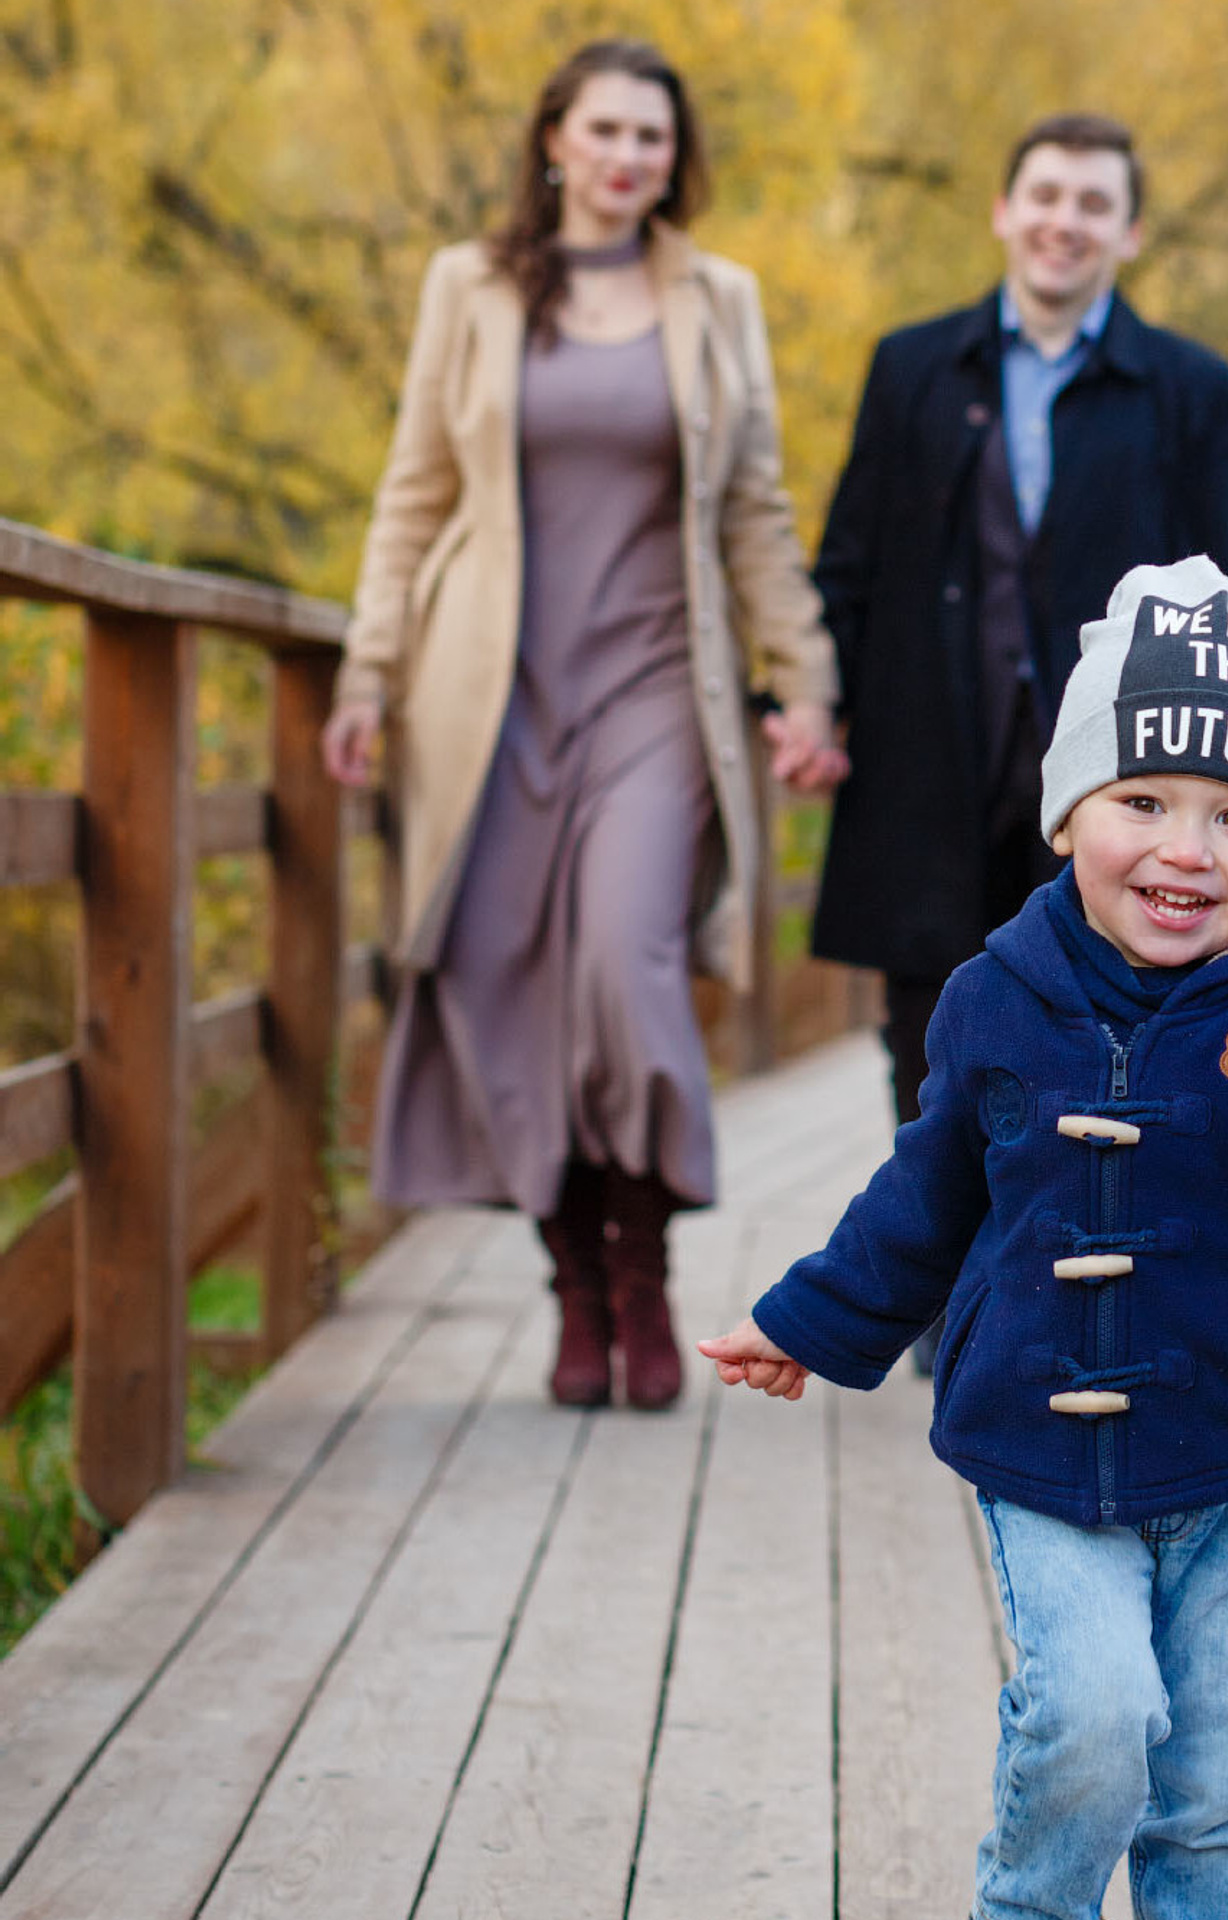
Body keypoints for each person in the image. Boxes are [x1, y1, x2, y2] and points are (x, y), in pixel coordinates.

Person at [700, 555, 1228, 1920]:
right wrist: (807, 1319)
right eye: (1143, 801)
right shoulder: (996, 997)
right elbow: (925, 1200)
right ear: (1066, 814)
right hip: (1041, 1445)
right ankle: (1030, 1906)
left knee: (1222, 1803)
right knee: (1094, 1727)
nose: (1186, 848)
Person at [321, 39, 844, 1414]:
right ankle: (569, 1284)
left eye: (651, 137)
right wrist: (366, 676)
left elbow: (756, 513)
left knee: (629, 967)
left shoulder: (716, 300)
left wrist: (806, 684)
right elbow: (413, 495)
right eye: (604, 129)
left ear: (676, 158)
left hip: (658, 694)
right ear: (552, 138)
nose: (626, 156)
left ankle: (641, 1269)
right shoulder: (471, 287)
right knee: (503, 984)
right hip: (486, 702)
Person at [810, 111, 1228, 1367]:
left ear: (1129, 229)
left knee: (1097, 1015)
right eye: (1045, 195)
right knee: (933, 1029)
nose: (1065, 221)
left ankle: (1060, 1289)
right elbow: (848, 560)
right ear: (1005, 211)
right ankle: (948, 1300)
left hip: (1115, 776)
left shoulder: (1186, 390)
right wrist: (807, 704)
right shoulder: (913, 368)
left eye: (1093, 202)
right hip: (926, 753)